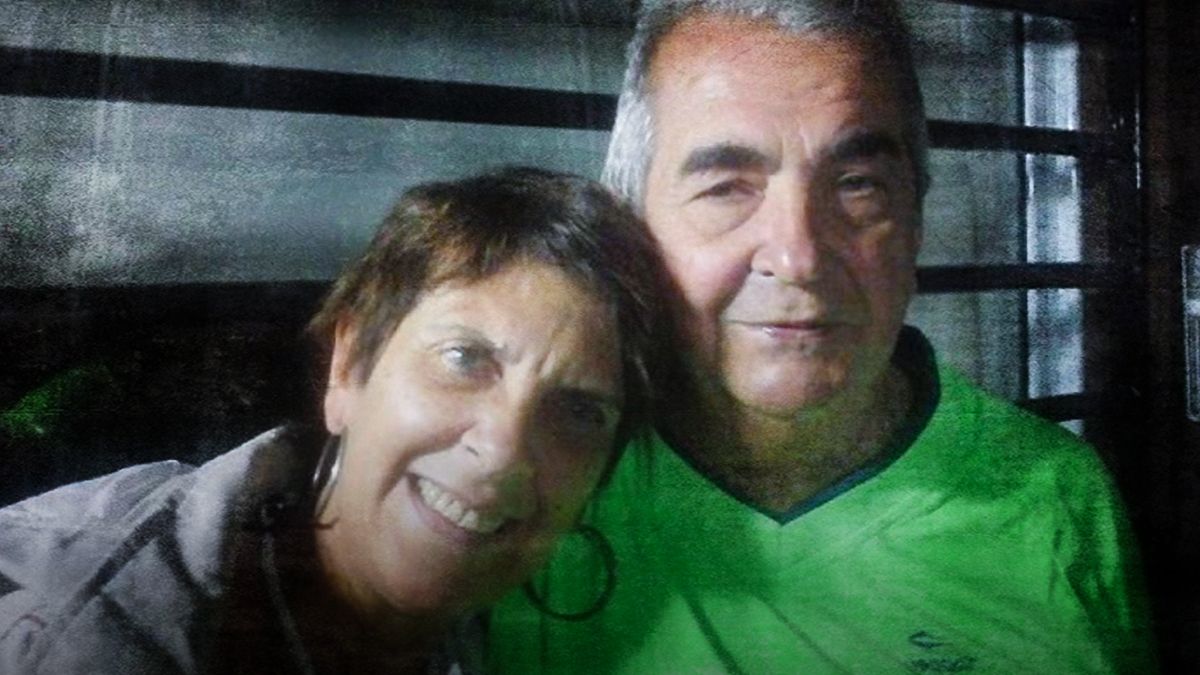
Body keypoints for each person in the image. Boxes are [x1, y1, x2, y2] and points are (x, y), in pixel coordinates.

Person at [488, 2, 1155, 673]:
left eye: (857, 186)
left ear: (915, 224)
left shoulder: (1050, 496)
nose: (798, 257)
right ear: (634, 226)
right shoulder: (538, 477)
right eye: (726, 189)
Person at [0, 167, 664, 674]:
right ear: (348, 367)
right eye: (464, 358)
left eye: (579, 411)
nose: (503, 449)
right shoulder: (79, 638)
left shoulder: (496, 625)